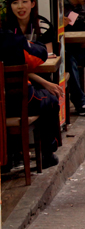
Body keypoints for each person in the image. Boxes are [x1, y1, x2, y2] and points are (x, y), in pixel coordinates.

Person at [0, 24, 61, 168]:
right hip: (18, 102)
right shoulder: (11, 39)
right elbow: (40, 54)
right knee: (50, 100)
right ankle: (48, 152)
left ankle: (14, 154)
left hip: (3, 105)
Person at [3, 0, 64, 101]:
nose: (20, 6)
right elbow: (11, 64)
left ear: (32, 4)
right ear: (10, 7)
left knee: (52, 96)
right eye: (15, 3)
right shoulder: (6, 29)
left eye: (24, 1)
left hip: (40, 76)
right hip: (16, 81)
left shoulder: (43, 26)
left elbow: (47, 59)